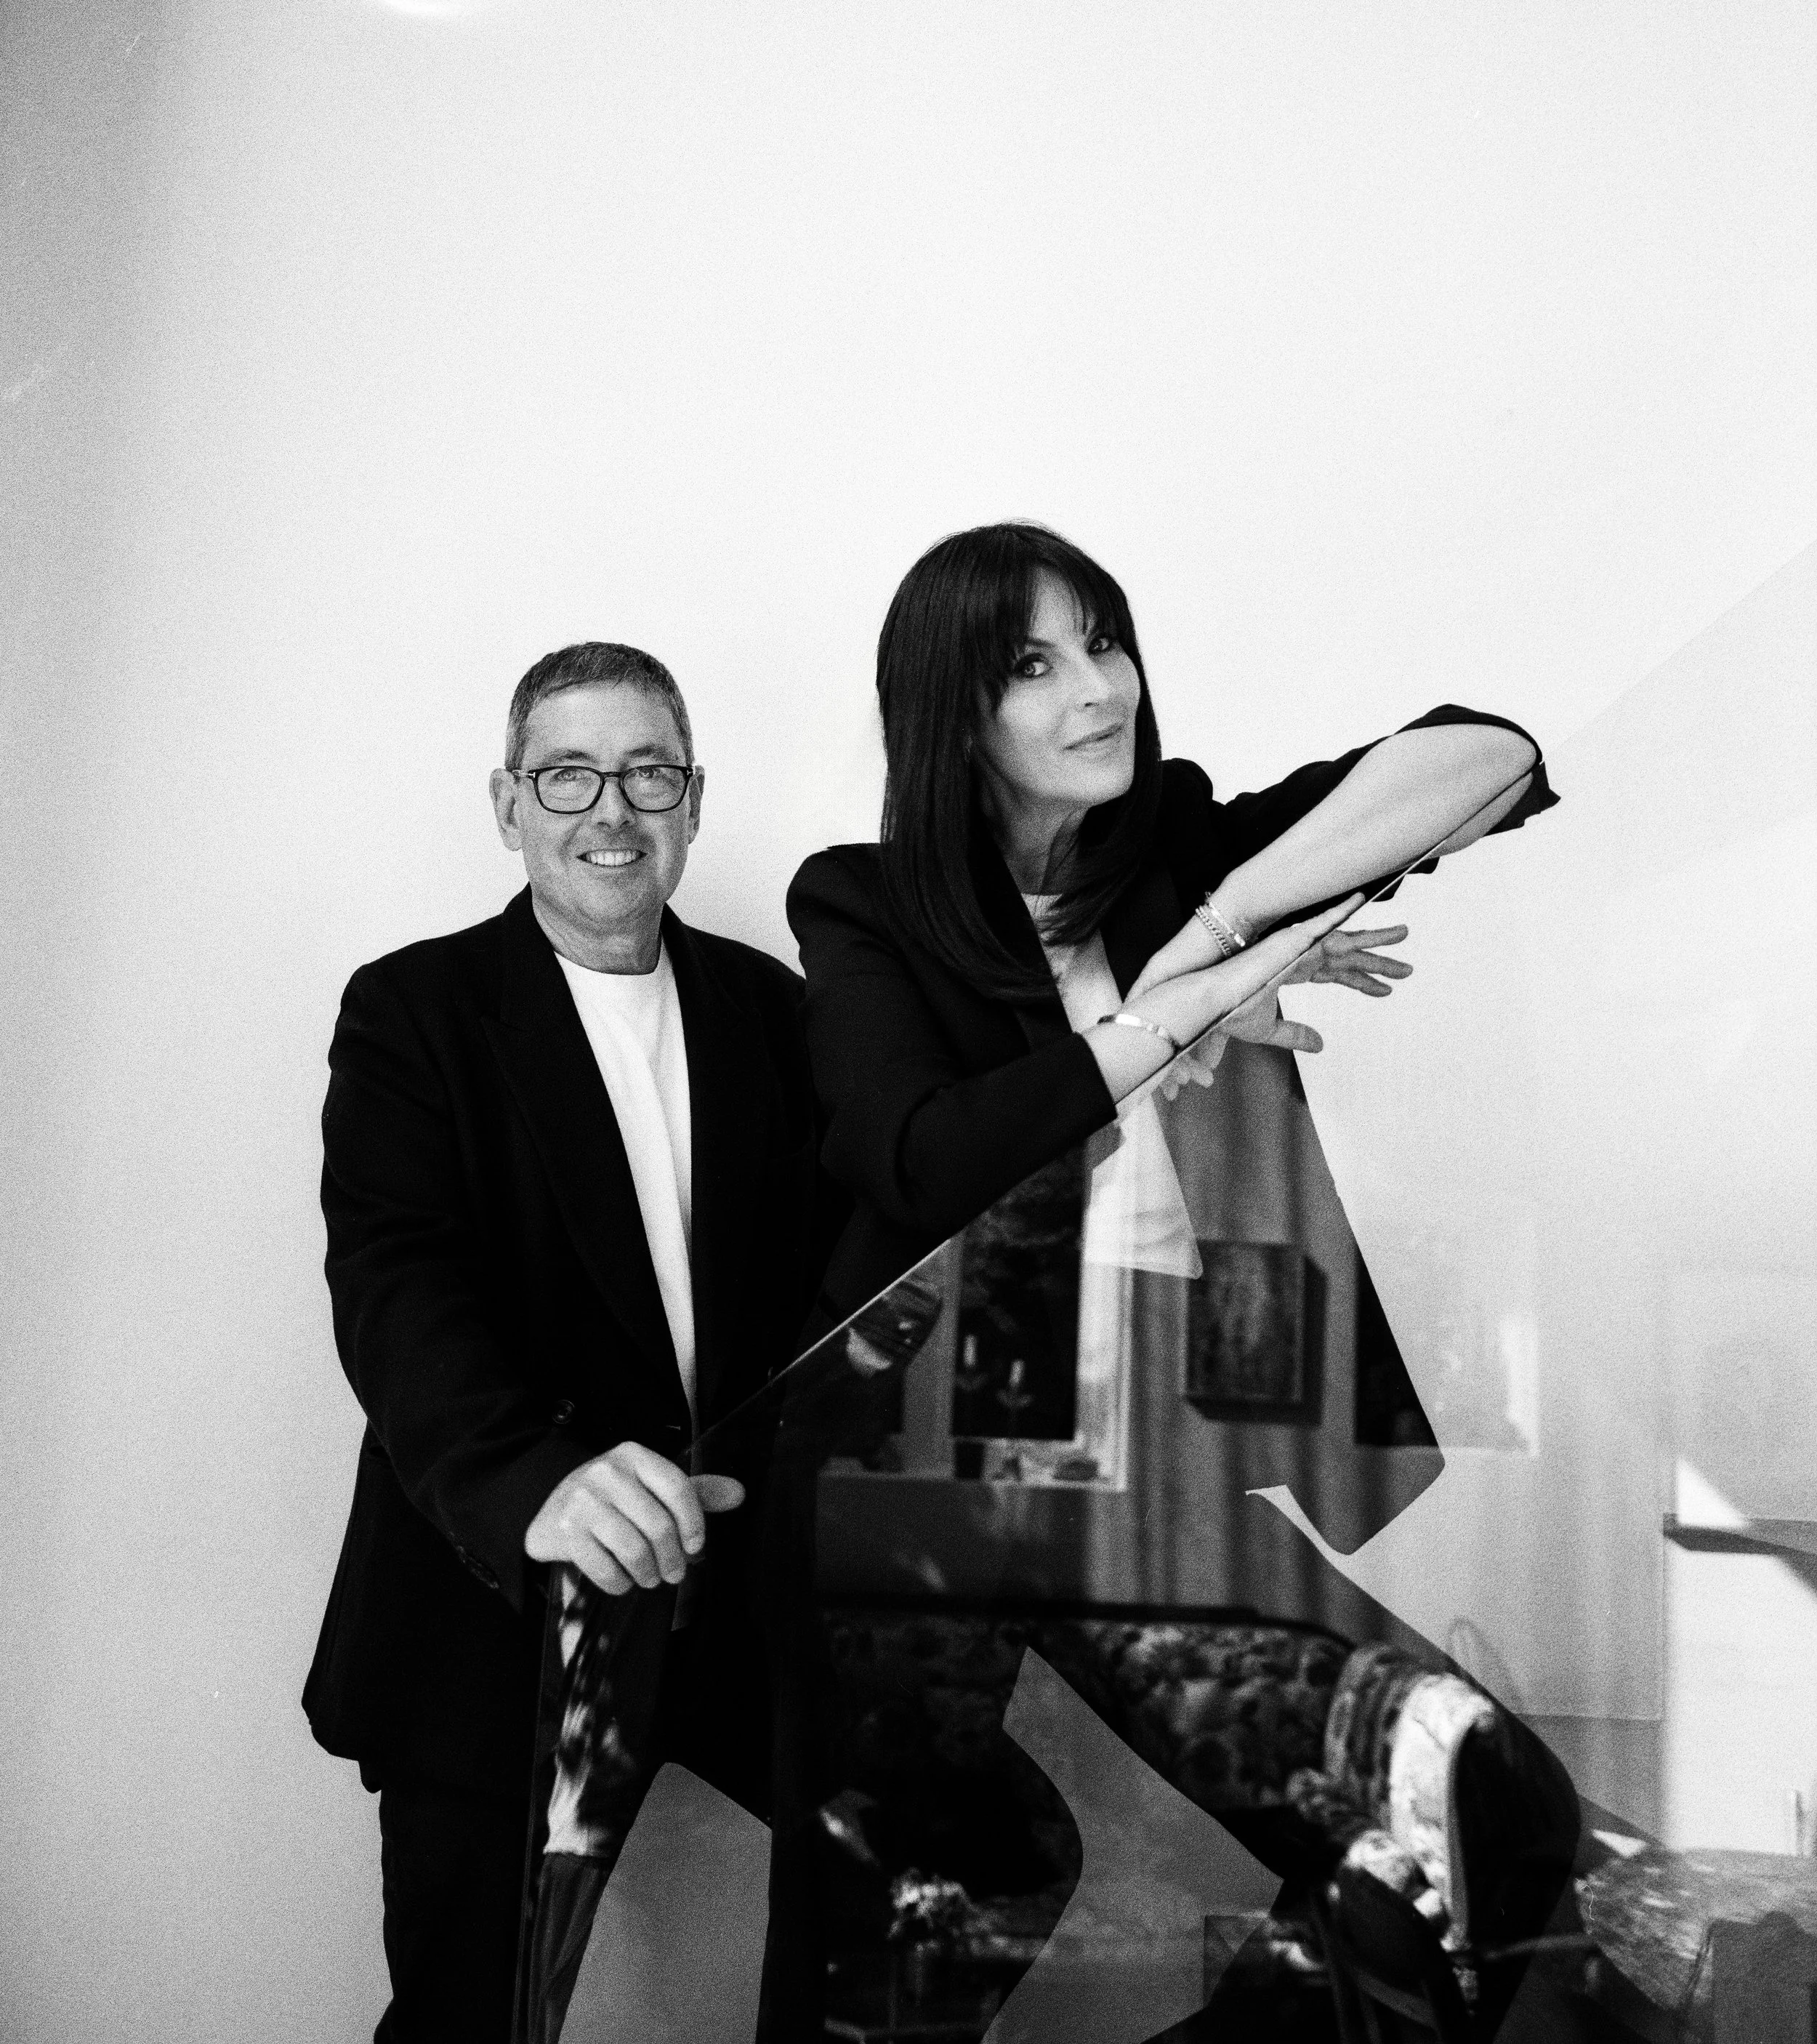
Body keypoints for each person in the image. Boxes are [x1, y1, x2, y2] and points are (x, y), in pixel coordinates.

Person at [302, 642, 842, 2044]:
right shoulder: (413, 1011)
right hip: (493, 1618)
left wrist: (1175, 1026)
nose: (613, 808)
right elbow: (394, 1286)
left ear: (694, 799)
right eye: (569, 775)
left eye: (649, 773)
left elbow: (895, 1210)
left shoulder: (775, 1008)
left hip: (736, 1596)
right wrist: (532, 1477)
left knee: (935, 1870)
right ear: (510, 804)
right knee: (471, 2017)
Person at [786, 520, 1555, 1332]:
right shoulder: (860, 900)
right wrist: (1183, 1010)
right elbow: (924, 1164)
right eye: (1032, 666)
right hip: (959, 1370)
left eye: (1103, 644)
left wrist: (1224, 923)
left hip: (1206, 1357)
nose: (1101, 688)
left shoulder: (1178, 843)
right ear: (954, 718)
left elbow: (1496, 759)